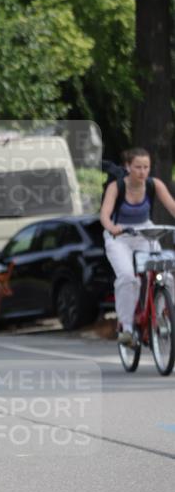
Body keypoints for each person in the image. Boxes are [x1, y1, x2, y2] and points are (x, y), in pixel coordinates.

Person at [100, 147, 175, 346]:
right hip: (120, 237)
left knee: (166, 276)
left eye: (146, 167)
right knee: (127, 277)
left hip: (145, 232)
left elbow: (172, 206)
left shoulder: (154, 184)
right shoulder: (116, 187)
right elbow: (105, 216)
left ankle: (159, 316)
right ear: (127, 167)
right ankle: (126, 328)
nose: (143, 172)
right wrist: (112, 228)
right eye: (138, 167)